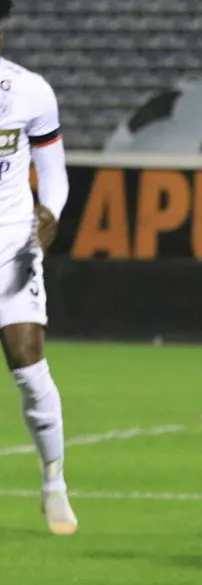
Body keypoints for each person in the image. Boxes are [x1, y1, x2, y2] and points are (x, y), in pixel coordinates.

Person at [0, 0, 77, 535]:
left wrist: (49, 213)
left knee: (28, 365)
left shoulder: (29, 90)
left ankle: (54, 483)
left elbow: (54, 172)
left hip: (11, 249)